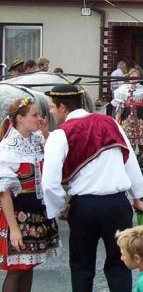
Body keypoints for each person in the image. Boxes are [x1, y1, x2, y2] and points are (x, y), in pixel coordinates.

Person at [42, 84, 143, 292]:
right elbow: (129, 160)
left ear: (63, 107)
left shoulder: (60, 134)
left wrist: (59, 208)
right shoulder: (109, 123)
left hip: (84, 207)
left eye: (53, 107)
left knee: (82, 266)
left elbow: (49, 182)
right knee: (120, 265)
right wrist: (138, 196)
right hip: (117, 204)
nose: (52, 112)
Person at [0, 98, 59, 292]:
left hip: (35, 210)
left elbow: (55, 157)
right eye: (34, 115)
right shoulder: (8, 147)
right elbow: (3, 193)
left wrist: (44, 132)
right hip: (17, 214)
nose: (39, 119)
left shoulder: (36, 139)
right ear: (20, 119)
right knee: (17, 269)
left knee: (28, 265)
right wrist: (14, 229)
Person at [112, 69, 143, 154]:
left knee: (140, 141)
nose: (133, 79)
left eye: (135, 77)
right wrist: (117, 120)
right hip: (127, 117)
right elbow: (119, 106)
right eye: (132, 77)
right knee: (129, 141)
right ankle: (130, 157)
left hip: (139, 117)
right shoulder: (123, 89)